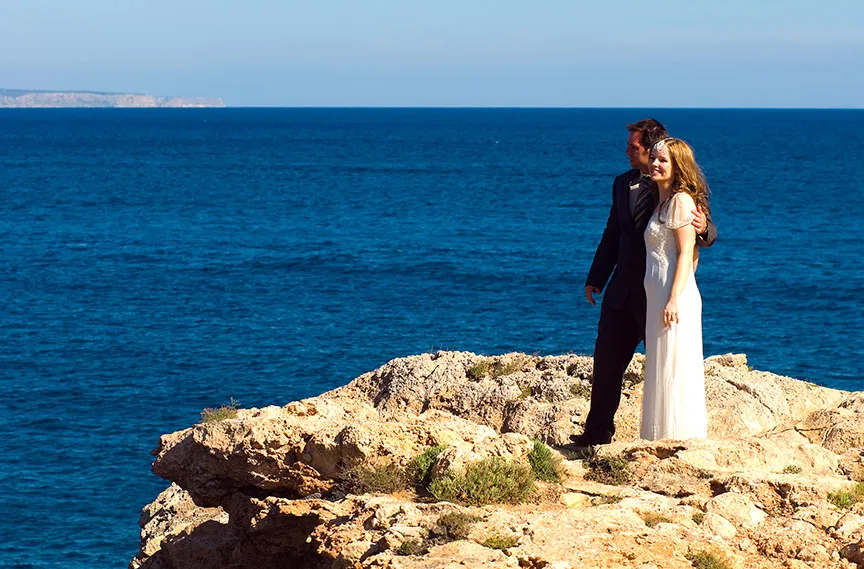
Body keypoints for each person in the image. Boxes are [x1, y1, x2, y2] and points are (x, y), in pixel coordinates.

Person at [569, 119, 716, 452]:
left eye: (633, 147)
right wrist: (596, 278)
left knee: (668, 362)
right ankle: (597, 432)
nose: (627, 152)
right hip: (623, 290)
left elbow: (697, 235)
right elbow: (612, 234)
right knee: (606, 360)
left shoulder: (674, 190)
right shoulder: (622, 184)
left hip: (661, 294)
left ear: (652, 149)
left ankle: (673, 431)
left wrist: (705, 226)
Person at [640, 138, 709, 440]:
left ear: (677, 165)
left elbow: (686, 252)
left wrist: (674, 298)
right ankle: (659, 435)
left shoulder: (681, 201)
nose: (655, 164)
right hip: (657, 295)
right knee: (661, 361)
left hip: (672, 296)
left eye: (663, 160)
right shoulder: (661, 201)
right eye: (653, 158)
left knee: (675, 363)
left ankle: (677, 436)